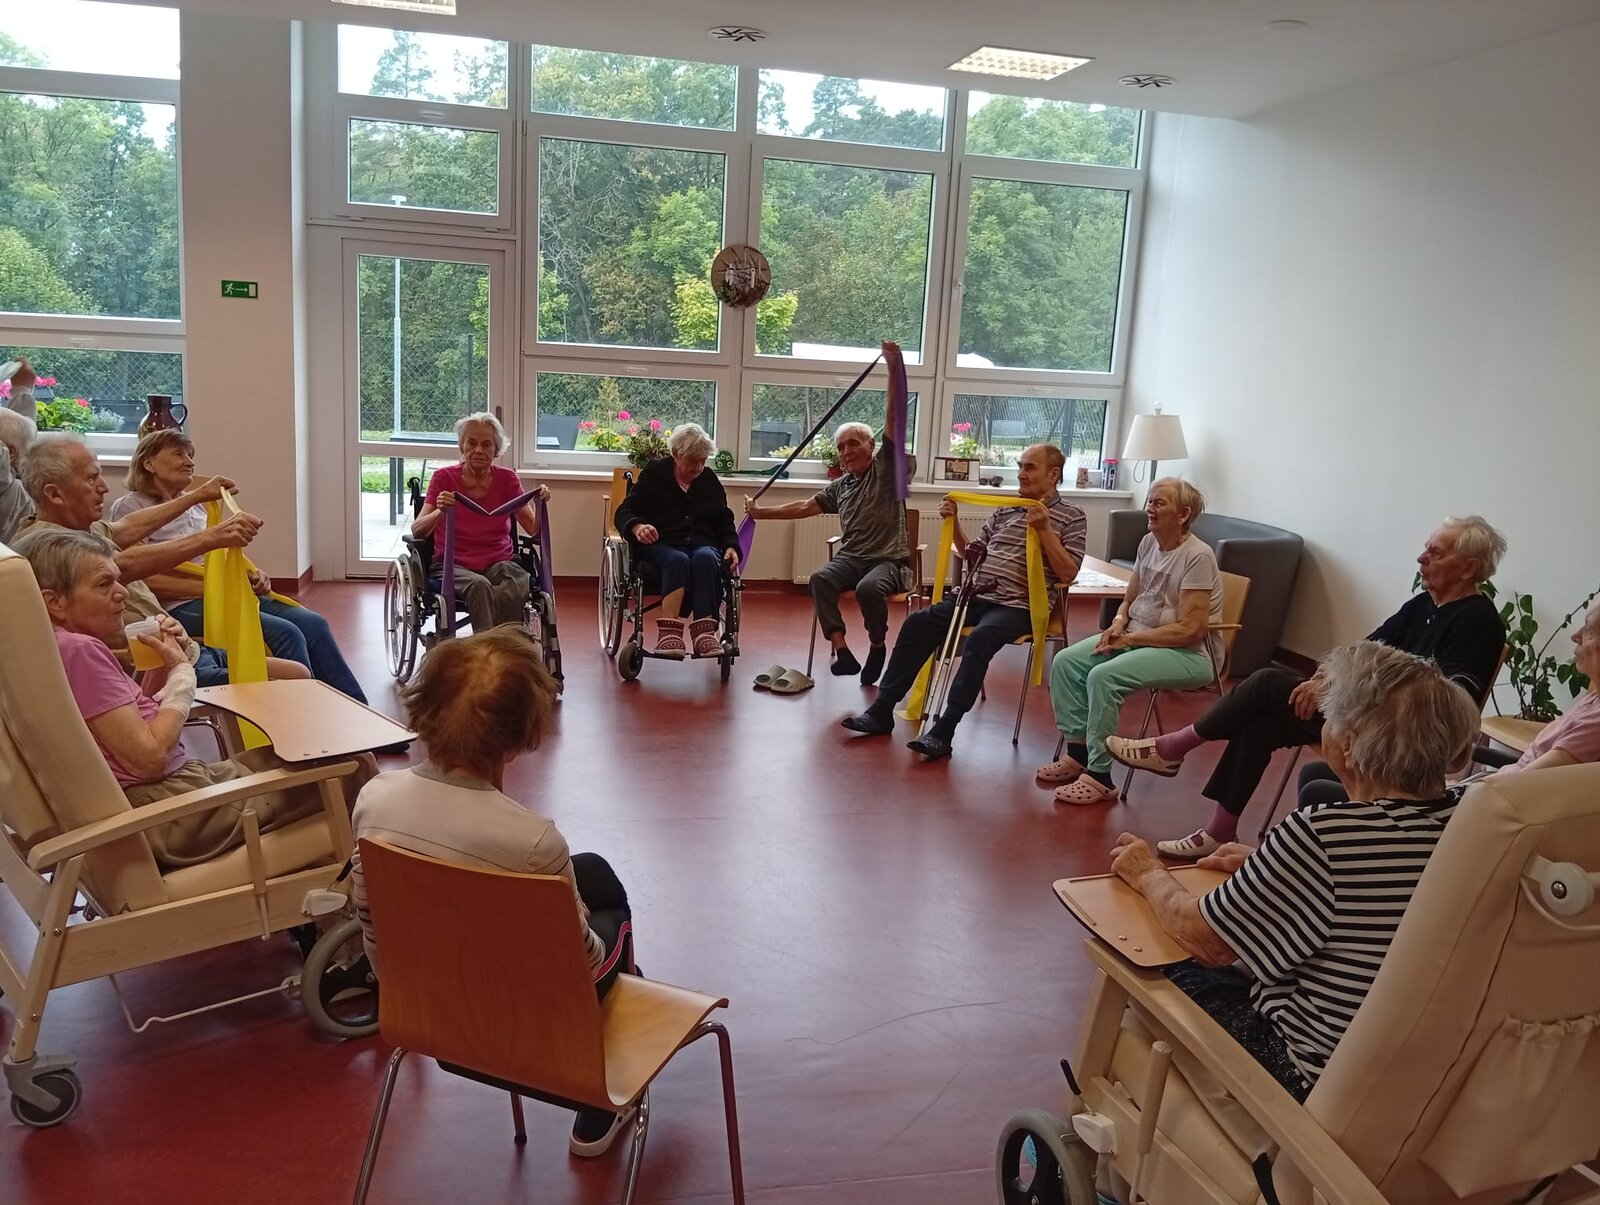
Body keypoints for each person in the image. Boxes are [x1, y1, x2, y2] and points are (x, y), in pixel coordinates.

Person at [1107, 641, 1481, 1101]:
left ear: (1347, 742)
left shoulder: (1326, 835)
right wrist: (1270, 869)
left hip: (1304, 1072)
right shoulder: (1473, 818)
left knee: (1154, 957)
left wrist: (1148, 873)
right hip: (1411, 1077)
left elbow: (1206, 939)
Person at [350, 628, 637, 1158]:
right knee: (611, 910)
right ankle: (604, 1089)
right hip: (522, 1023)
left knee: (590, 870)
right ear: (518, 734)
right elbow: (587, 964)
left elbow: (371, 917)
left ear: (426, 708)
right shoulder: (533, 842)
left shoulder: (374, 799)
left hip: (418, 1004)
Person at [1109, 515, 1508, 859]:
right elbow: (1363, 650)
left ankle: (1174, 747)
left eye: (1435, 553)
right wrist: (1322, 678)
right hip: (1363, 719)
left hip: (1399, 739)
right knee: (1260, 723)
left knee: (1267, 682)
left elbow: (1438, 703)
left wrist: (1334, 692)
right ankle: (1219, 830)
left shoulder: (1477, 621)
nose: (1421, 558)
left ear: (1469, 567)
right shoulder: (1423, 605)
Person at [22, 528, 373, 869]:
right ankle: (365, 886)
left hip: (166, 798)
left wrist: (164, 663)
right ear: (54, 601)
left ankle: (330, 877)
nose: (123, 592)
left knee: (312, 755)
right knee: (354, 763)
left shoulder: (49, 648)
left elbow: (126, 729)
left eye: (118, 580)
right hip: (174, 811)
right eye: (104, 584)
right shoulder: (80, 651)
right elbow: (149, 759)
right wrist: (182, 675)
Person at [841, 444, 1087, 761]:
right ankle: (882, 710)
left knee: (981, 638)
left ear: (1053, 475)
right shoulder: (1005, 510)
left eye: (1029, 468)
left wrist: (1044, 530)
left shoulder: (1072, 516)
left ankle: (944, 730)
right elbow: (972, 555)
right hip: (976, 595)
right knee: (917, 623)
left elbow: (1068, 572)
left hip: (1021, 606)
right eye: (1020, 466)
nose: (1021, 474)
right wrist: (954, 522)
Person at [104, 428, 370, 703]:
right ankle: (301, 712)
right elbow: (142, 577)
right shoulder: (131, 507)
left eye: (191, 455)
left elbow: (219, 557)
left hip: (224, 592)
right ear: (149, 463)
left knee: (314, 624)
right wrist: (216, 588)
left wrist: (252, 575)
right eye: (179, 454)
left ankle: (354, 706)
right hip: (181, 604)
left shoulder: (197, 507)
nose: (190, 462)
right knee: (287, 633)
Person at [16, 432, 303, 686]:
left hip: (184, 651)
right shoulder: (51, 544)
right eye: (91, 478)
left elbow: (127, 527)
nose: (103, 487)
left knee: (296, 670)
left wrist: (198, 496)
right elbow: (124, 566)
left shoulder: (78, 527)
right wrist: (214, 537)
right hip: (159, 668)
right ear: (54, 494)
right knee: (290, 676)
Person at [1297, 601, 1600, 808]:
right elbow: (1373, 642)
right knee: (1314, 773)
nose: (1575, 636)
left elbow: (1527, 786)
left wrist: (1453, 793)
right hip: (1477, 790)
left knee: (1317, 786)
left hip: (1480, 809)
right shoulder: (1592, 699)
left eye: (1587, 630)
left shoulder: (1595, 722)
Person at [1041, 478, 1223, 805]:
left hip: (1188, 653)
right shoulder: (1148, 542)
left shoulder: (1198, 556)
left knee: (1103, 677)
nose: (1149, 508)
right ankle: (1078, 753)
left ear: (1183, 514)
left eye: (1159, 503)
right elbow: (1130, 597)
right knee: (1065, 662)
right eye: (1149, 501)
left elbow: (1191, 630)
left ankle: (1100, 776)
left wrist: (1130, 639)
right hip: (1137, 636)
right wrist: (1118, 624)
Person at [744, 420, 909, 684]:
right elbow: (805, 506)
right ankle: (842, 650)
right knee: (820, 579)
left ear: (871, 445)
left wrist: (893, 390)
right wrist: (760, 513)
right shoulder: (842, 486)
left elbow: (893, 426)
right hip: (851, 557)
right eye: (841, 447)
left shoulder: (886, 471)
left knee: (868, 589)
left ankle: (877, 646)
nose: (847, 452)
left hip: (887, 561)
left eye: (853, 443)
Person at [407, 412, 549, 635]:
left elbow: (533, 529)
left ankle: (506, 642)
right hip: (452, 564)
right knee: (479, 585)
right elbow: (417, 530)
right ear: (461, 447)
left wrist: (540, 503)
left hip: (499, 561)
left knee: (515, 581)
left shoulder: (507, 479)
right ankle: (488, 649)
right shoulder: (444, 478)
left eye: (486, 444)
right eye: (471, 443)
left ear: (496, 450)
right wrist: (440, 512)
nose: (478, 450)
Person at [611, 423, 739, 659]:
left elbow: (724, 520)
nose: (698, 467)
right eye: (692, 461)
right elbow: (624, 512)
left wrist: (731, 545)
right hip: (661, 545)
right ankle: (669, 633)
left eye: (703, 461)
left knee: (706, 558)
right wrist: (638, 526)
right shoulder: (655, 474)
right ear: (675, 454)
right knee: (677, 560)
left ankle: (705, 634)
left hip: (701, 544)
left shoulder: (709, 480)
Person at [1, 357, 39, 543]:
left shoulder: (10, 487)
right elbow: (22, 434)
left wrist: (22, 390)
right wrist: (22, 389)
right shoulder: (15, 490)